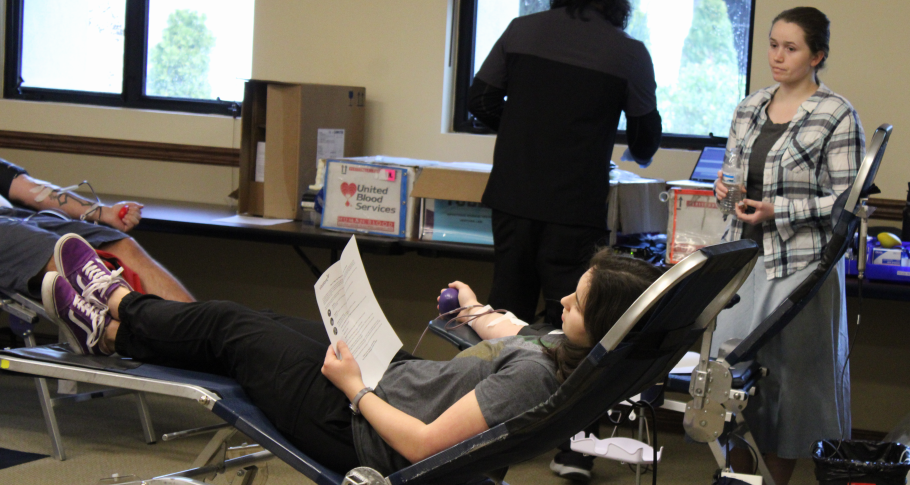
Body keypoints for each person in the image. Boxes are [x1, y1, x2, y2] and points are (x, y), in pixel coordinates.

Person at [41, 234, 662, 477]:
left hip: (359, 424)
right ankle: (112, 323)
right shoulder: (565, 356)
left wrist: (353, 387)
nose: (562, 302)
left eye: (576, 304)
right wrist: (473, 306)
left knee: (231, 330)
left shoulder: (532, 382)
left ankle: (115, 306)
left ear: (602, 327)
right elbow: (514, 331)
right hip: (386, 377)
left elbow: (421, 447)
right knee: (250, 322)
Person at [468, 0, 662, 329]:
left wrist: (521, 127)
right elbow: (644, 141)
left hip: (513, 197)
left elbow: (480, 99)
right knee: (568, 316)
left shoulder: (522, 29)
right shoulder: (630, 55)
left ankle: (498, 387)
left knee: (506, 310)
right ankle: (556, 389)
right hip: (575, 208)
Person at [712, 7, 864, 485]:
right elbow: (734, 172)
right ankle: (739, 478)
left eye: (791, 48)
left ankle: (774, 481)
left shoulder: (836, 114)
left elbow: (847, 201)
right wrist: (723, 189)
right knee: (725, 377)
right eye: (773, 44)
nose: (778, 56)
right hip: (741, 259)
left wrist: (781, 210)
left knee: (787, 387)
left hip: (799, 264)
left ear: (817, 55)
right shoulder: (750, 106)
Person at [0, 158, 194, 303]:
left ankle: (200, 332)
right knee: (69, 255)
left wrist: (106, 213)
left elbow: (29, 189)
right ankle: (149, 330)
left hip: (15, 215)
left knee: (119, 245)